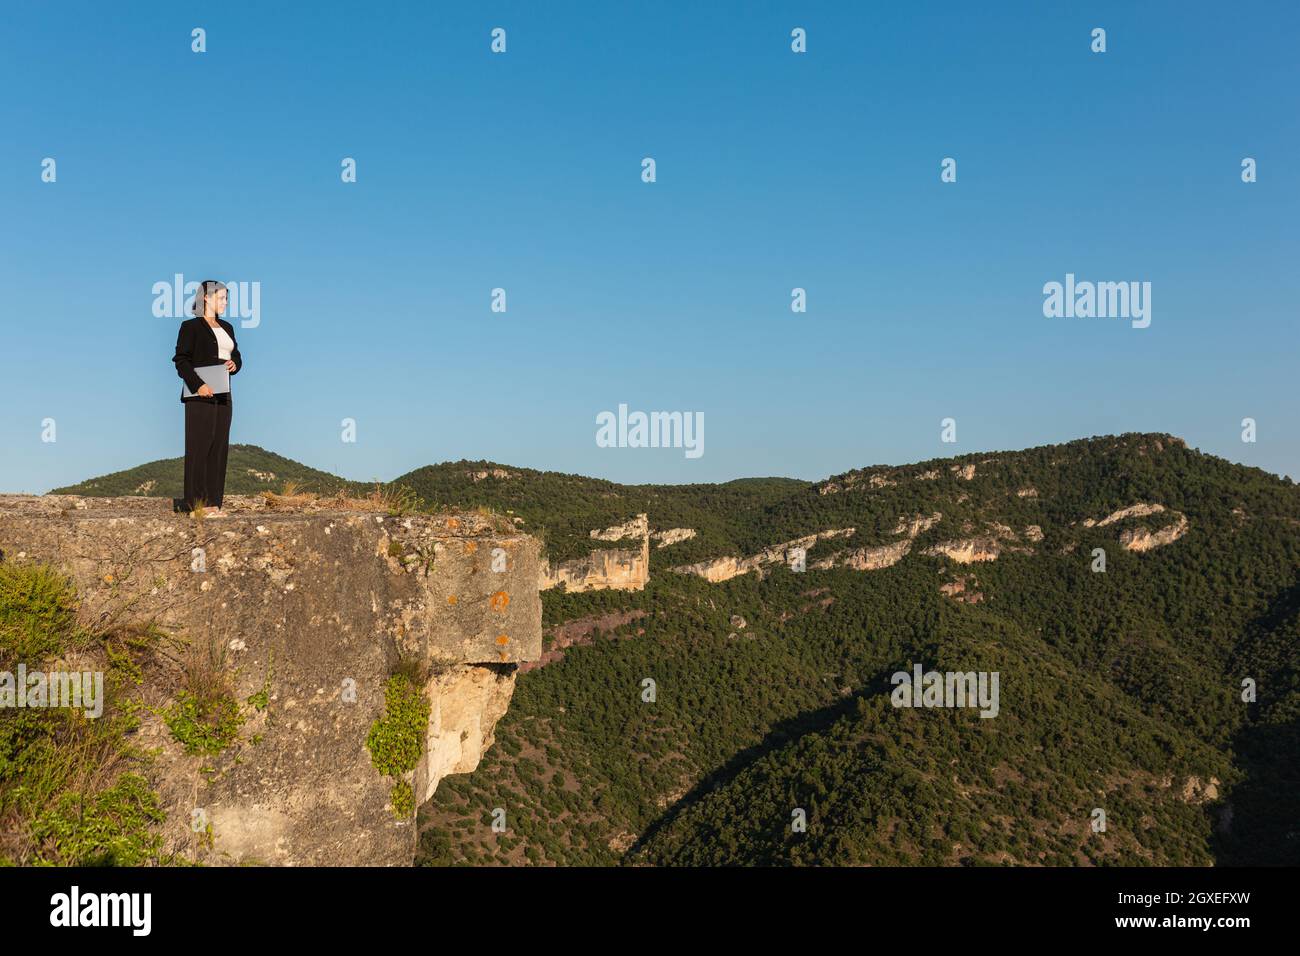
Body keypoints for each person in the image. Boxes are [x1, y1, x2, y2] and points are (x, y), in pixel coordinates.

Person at [173, 279, 242, 515]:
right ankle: (197, 505)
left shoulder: (228, 328)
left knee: (219, 447)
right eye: (221, 298)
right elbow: (181, 361)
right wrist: (199, 385)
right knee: (199, 447)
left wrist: (235, 364)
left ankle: (214, 503)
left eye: (226, 298)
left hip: (224, 394)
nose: (225, 302)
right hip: (199, 394)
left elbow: (237, 355)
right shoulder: (190, 327)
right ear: (206, 298)